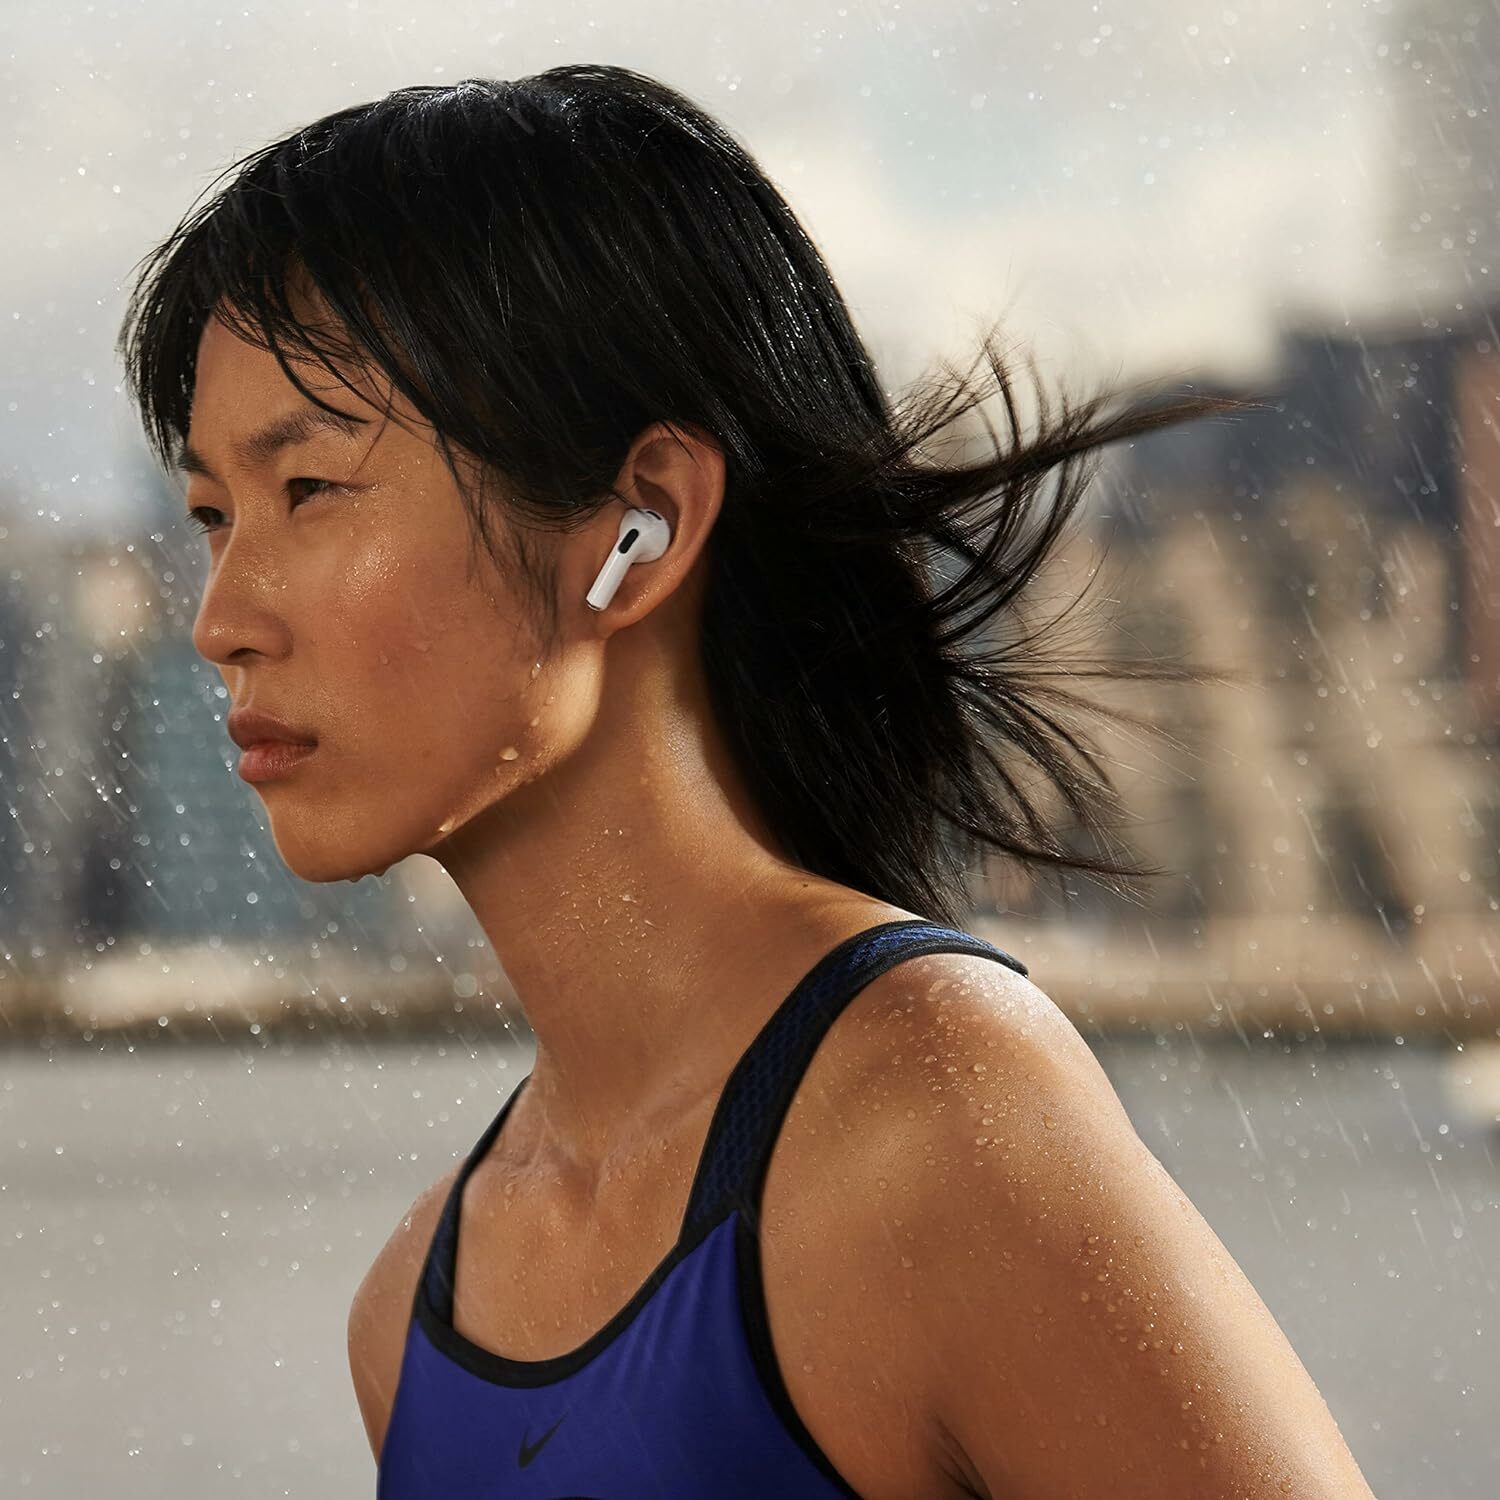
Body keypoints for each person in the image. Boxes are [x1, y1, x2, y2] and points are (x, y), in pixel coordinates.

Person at [115, 62, 1377, 1500]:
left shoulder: (931, 1119)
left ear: (643, 523)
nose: (223, 617)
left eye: (309, 491)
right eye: (211, 514)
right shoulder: (413, 1320)